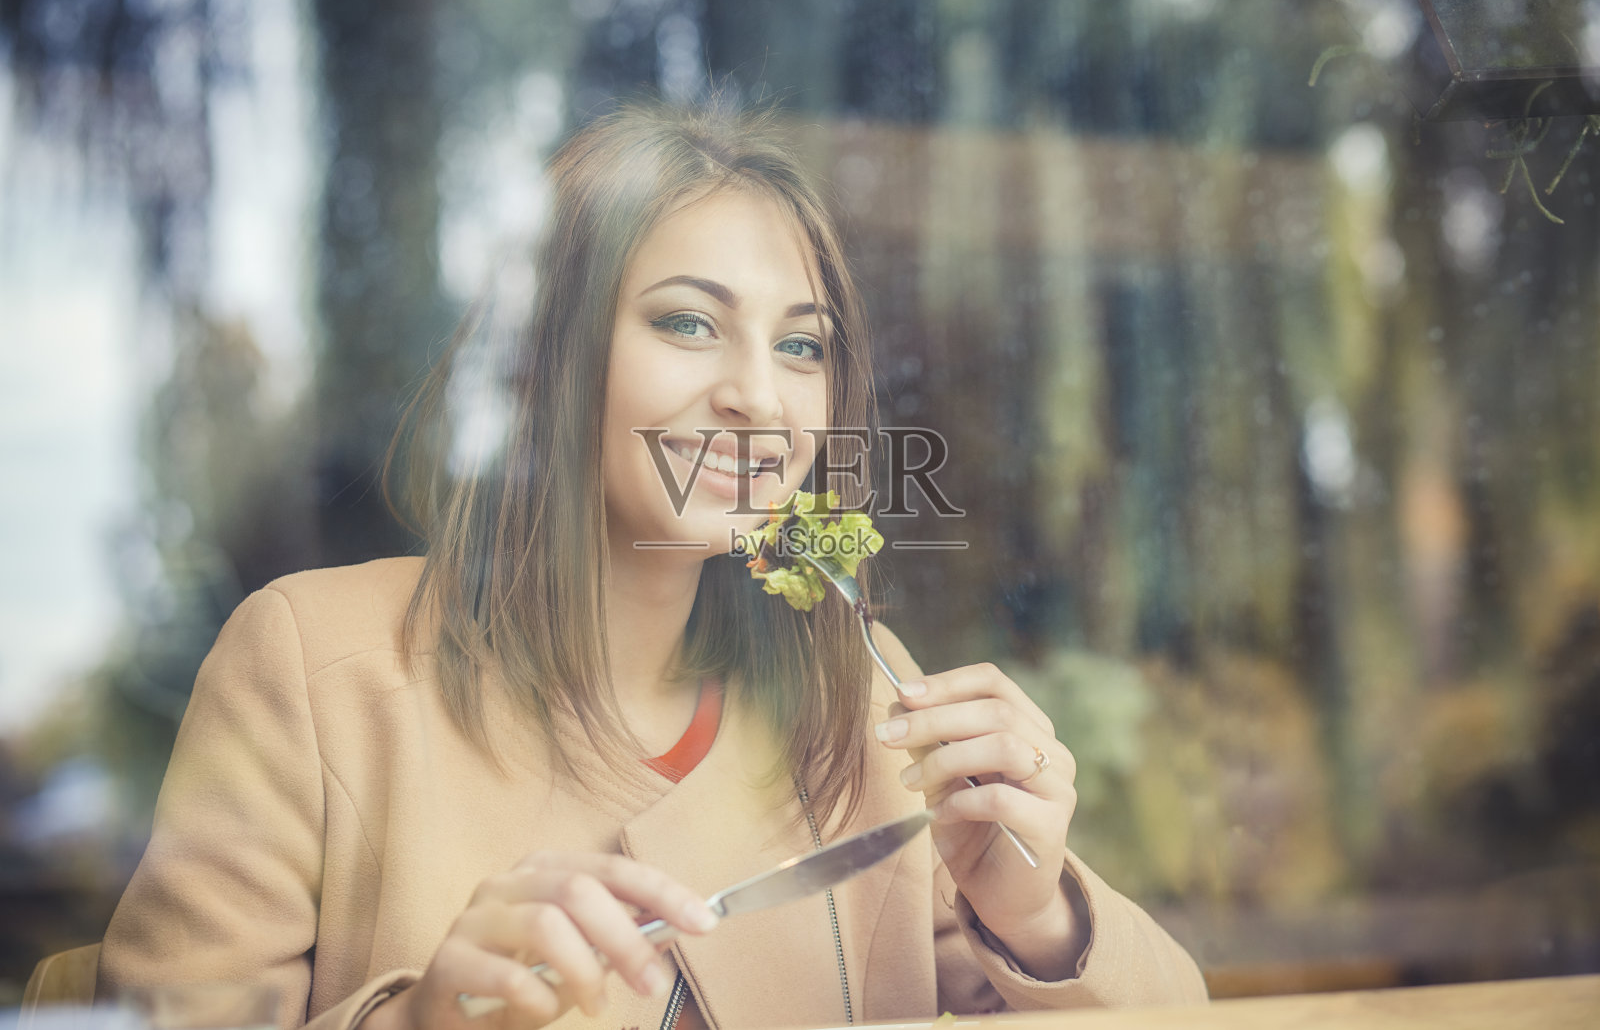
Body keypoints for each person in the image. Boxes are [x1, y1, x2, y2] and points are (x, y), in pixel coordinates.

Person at [98, 101, 1207, 1030]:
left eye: (802, 344)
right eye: (687, 323)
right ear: (547, 361)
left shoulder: (859, 701)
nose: (757, 397)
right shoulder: (310, 666)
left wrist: (1036, 911)